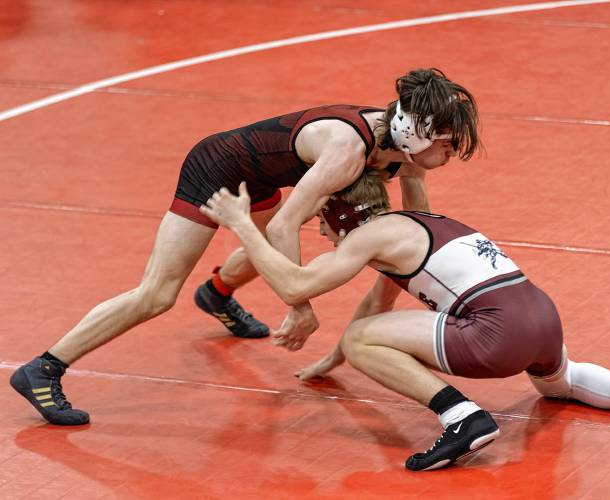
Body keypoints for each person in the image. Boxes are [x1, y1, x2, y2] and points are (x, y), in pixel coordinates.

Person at [10, 68, 481, 426]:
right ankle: (43, 368)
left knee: (267, 242)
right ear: (414, 133)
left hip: (264, 174)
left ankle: (216, 292)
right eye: (446, 144)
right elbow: (284, 228)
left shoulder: (408, 154)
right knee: (157, 294)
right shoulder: (347, 152)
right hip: (215, 171)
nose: (451, 154)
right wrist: (299, 305)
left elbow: (417, 225)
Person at [197, 172, 610, 472]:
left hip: (494, 332)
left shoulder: (369, 235)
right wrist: (332, 359)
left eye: (322, 225)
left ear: (342, 216)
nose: (322, 236)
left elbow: (294, 287)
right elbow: (378, 306)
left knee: (360, 338)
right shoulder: (419, 224)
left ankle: (463, 420)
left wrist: (244, 224)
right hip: (541, 317)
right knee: (559, 385)